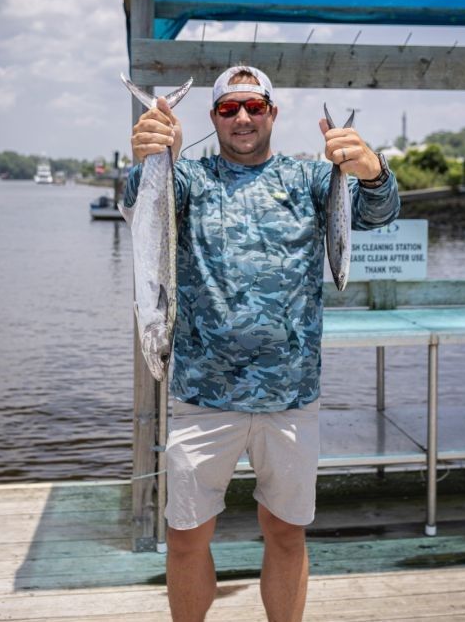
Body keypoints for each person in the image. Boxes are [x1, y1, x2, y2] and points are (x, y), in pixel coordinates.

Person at [125, 65, 400, 622]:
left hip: (291, 397)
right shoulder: (190, 180)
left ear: (272, 112)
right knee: (184, 537)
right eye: (229, 109)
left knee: (287, 534)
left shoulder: (309, 179)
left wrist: (371, 171)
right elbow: (141, 202)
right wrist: (151, 154)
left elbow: (379, 213)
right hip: (203, 397)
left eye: (253, 106)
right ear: (213, 118)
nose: (242, 118)